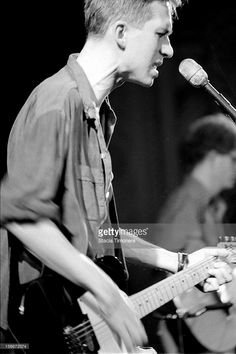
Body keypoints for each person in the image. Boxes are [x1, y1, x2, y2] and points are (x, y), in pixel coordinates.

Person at [0, 1, 233, 353]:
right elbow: (22, 219)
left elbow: (99, 234)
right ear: (121, 32)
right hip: (43, 330)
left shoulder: (98, 115)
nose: (169, 50)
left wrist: (181, 262)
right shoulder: (56, 102)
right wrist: (109, 295)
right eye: (161, 34)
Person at [156, 113, 236, 353]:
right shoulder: (186, 203)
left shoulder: (204, 204)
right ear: (213, 157)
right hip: (201, 329)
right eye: (233, 158)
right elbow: (158, 269)